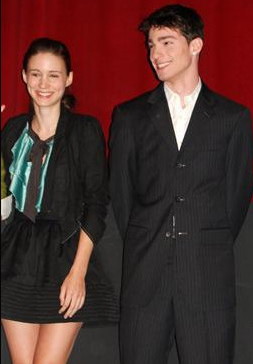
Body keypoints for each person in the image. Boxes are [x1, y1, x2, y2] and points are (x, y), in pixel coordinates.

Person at [109, 4, 253, 364]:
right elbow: (122, 197)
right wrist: (150, 242)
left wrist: (200, 239)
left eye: (166, 43)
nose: (155, 54)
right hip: (145, 278)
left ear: (196, 45)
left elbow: (235, 199)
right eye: (151, 44)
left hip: (206, 279)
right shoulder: (130, 117)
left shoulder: (232, 118)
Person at [1, 37, 118, 364]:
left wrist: (78, 272)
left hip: (65, 257)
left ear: (68, 79)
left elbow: (96, 204)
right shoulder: (11, 131)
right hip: (14, 261)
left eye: (54, 75)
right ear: (24, 76)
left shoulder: (85, 131)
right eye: (35, 74)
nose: (43, 83)